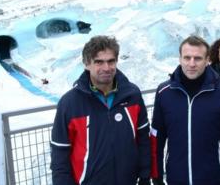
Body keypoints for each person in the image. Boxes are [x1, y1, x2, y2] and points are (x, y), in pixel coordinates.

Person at [50, 36, 150, 185]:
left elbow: (143, 141)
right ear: (86, 64)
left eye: (111, 61)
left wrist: (144, 177)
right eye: (98, 62)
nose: (106, 68)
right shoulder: (69, 104)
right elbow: (60, 155)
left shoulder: (132, 95)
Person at [150, 35, 220, 185]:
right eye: (187, 58)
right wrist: (157, 176)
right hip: (176, 177)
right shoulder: (164, 92)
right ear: (180, 59)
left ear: (207, 60)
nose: (191, 64)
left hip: (212, 177)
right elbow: (156, 138)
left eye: (198, 58)